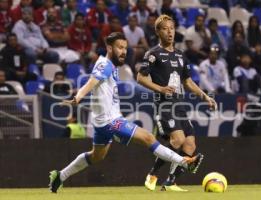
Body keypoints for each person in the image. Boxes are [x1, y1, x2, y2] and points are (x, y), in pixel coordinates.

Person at [49, 32, 203, 193]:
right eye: (119, 48)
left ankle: (60, 176)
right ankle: (186, 162)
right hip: (111, 122)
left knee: (96, 156)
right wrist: (78, 96)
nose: (124, 51)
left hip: (102, 122)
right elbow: (91, 81)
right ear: (109, 48)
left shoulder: (111, 66)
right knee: (148, 138)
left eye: (125, 48)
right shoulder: (105, 65)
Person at [137, 15, 217, 192]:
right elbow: (140, 77)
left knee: (190, 145)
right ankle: (152, 175)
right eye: (165, 28)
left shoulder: (181, 56)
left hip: (179, 105)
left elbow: (188, 82)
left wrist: (205, 96)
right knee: (177, 139)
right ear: (158, 32)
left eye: (171, 28)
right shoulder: (153, 54)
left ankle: (171, 182)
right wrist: (160, 89)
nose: (169, 32)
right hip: (163, 105)